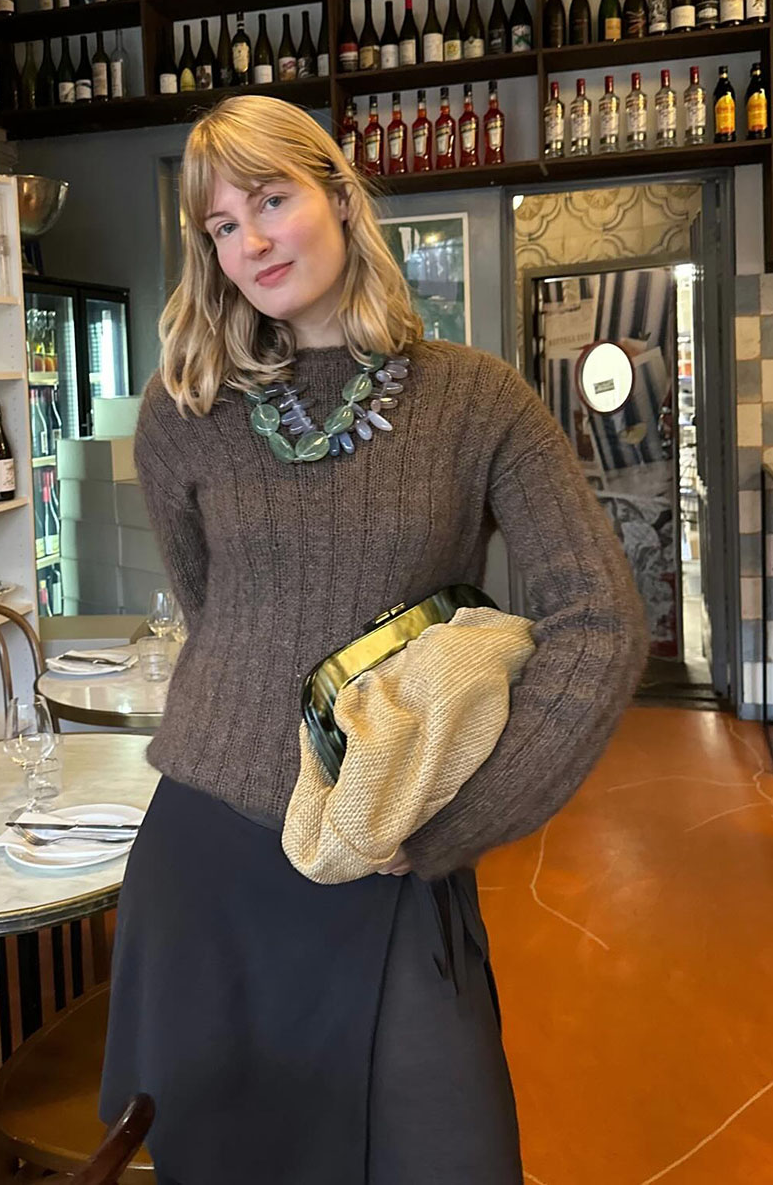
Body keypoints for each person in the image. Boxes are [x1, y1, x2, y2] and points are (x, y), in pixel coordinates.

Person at [99, 95, 650, 1184]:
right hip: (206, 861)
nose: (250, 240)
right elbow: (219, 619)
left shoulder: (478, 400)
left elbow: (600, 622)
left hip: (387, 852)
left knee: (444, 1154)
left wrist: (450, 823)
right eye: (220, 224)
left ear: (341, 199)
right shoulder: (182, 411)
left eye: (271, 199)